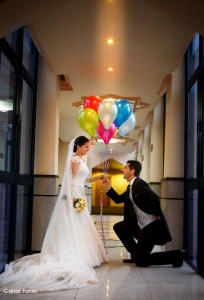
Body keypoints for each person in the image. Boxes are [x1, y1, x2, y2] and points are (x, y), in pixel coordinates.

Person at [0, 136, 107, 293]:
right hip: (73, 196)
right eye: (85, 147)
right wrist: (72, 200)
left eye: (88, 147)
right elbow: (70, 181)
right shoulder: (74, 160)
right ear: (77, 146)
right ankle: (72, 253)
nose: (87, 149)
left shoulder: (82, 161)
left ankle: (87, 253)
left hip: (80, 194)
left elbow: (83, 179)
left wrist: (97, 178)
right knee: (73, 225)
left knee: (81, 225)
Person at [103, 160, 186, 267]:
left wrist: (158, 214)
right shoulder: (131, 186)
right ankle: (135, 254)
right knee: (119, 227)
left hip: (150, 227)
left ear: (132, 171)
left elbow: (155, 198)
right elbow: (119, 199)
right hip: (139, 225)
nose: (122, 169)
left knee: (142, 262)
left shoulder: (139, 184)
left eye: (125, 168)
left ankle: (177, 255)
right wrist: (108, 186)